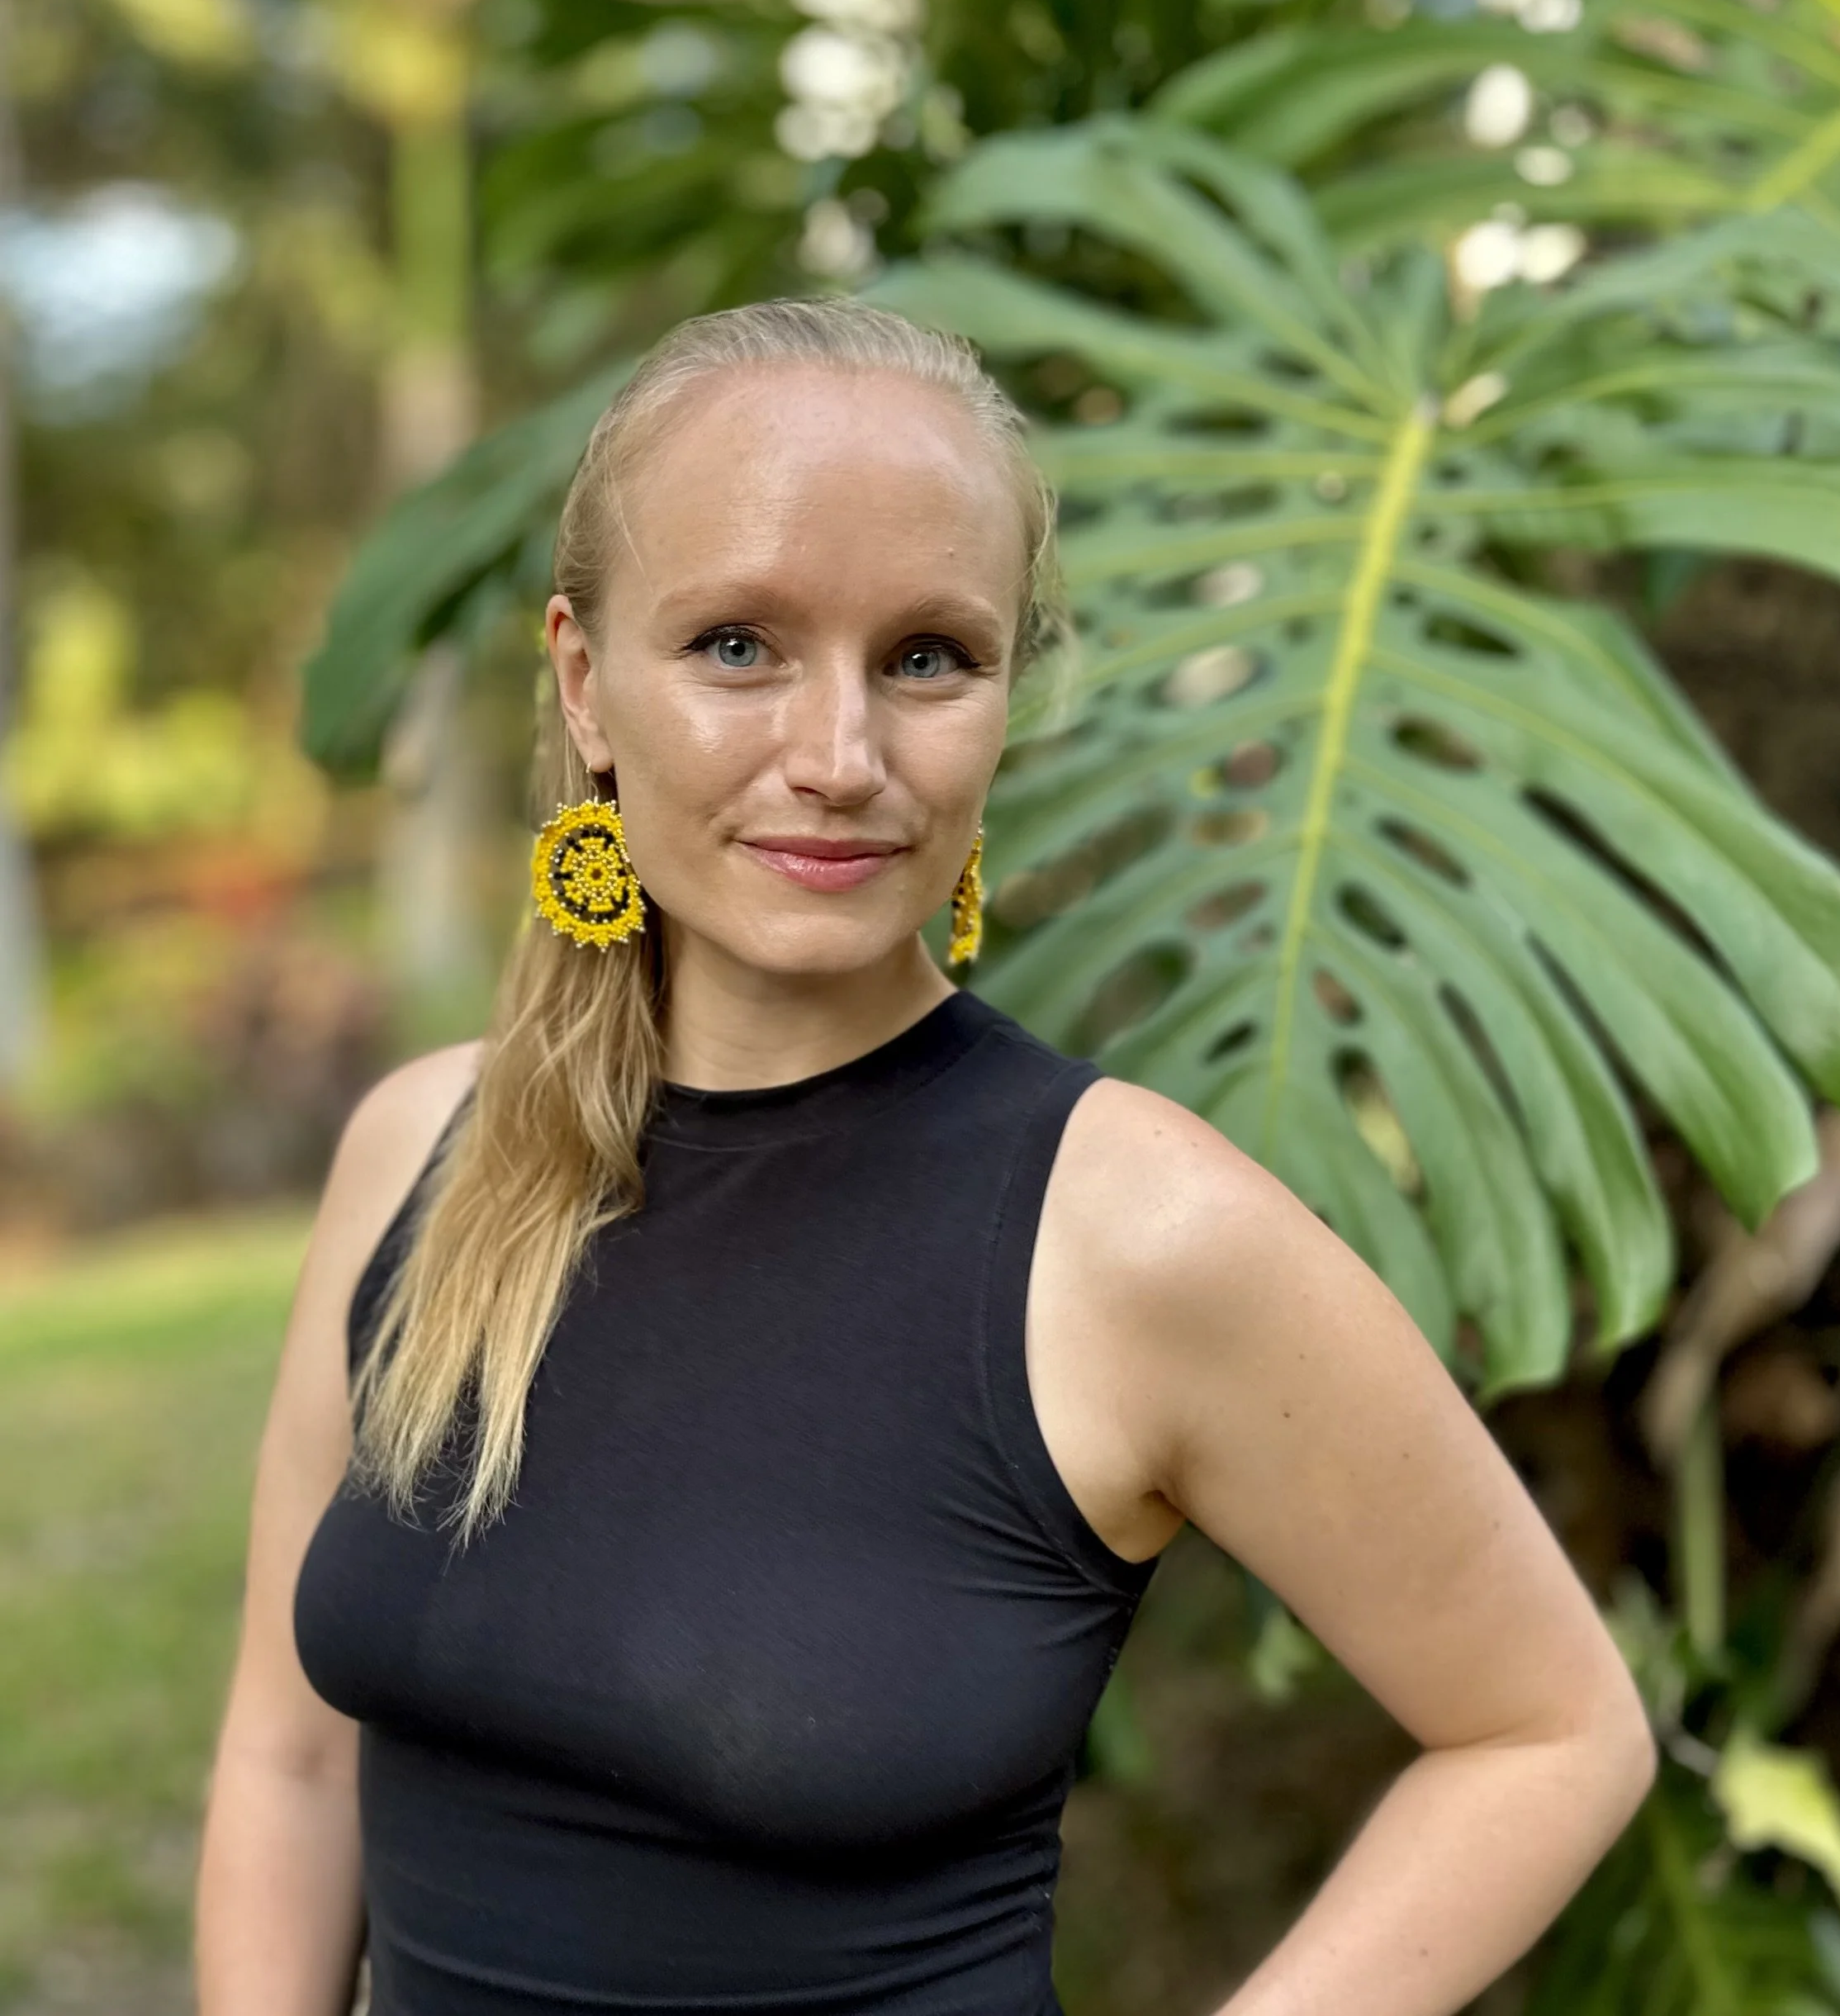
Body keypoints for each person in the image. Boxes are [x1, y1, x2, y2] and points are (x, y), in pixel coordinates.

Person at [194, 298, 1654, 2016]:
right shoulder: (417, 1153)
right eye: (738, 645)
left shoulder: (1132, 1236)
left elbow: (1547, 1727)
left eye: (926, 658)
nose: (838, 760)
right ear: (585, 683)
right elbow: (292, 1757)